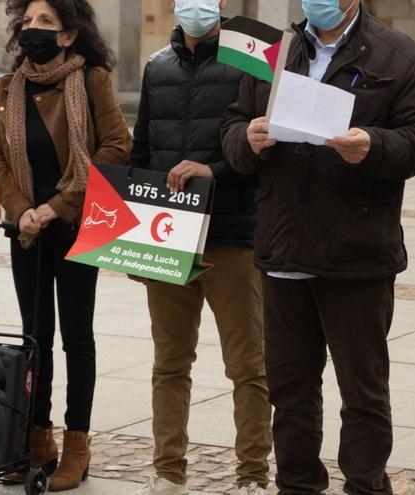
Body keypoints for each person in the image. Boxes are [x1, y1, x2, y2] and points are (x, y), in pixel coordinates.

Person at [221, 0, 415, 493]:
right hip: (283, 251)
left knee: (362, 392)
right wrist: (247, 139)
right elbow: (232, 126)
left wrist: (374, 146)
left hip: (356, 255)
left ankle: (365, 485)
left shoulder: (398, 55)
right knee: (290, 391)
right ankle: (297, 484)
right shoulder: (278, 51)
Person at [0, 0, 131, 490]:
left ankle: (77, 444)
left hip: (76, 226)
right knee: (34, 339)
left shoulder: (91, 81)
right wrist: (20, 208)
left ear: (69, 34)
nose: (33, 30)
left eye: (45, 22)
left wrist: (58, 205)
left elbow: (115, 146)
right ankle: (37, 437)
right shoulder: (8, 88)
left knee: (76, 339)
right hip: (28, 231)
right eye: (27, 22)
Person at [129, 1, 270, 494]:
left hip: (232, 232)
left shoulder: (252, 61)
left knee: (248, 364)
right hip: (169, 234)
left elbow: (264, 150)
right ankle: (168, 471)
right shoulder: (156, 66)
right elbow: (141, 149)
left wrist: (216, 171)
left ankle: (253, 474)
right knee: (169, 362)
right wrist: (135, 240)